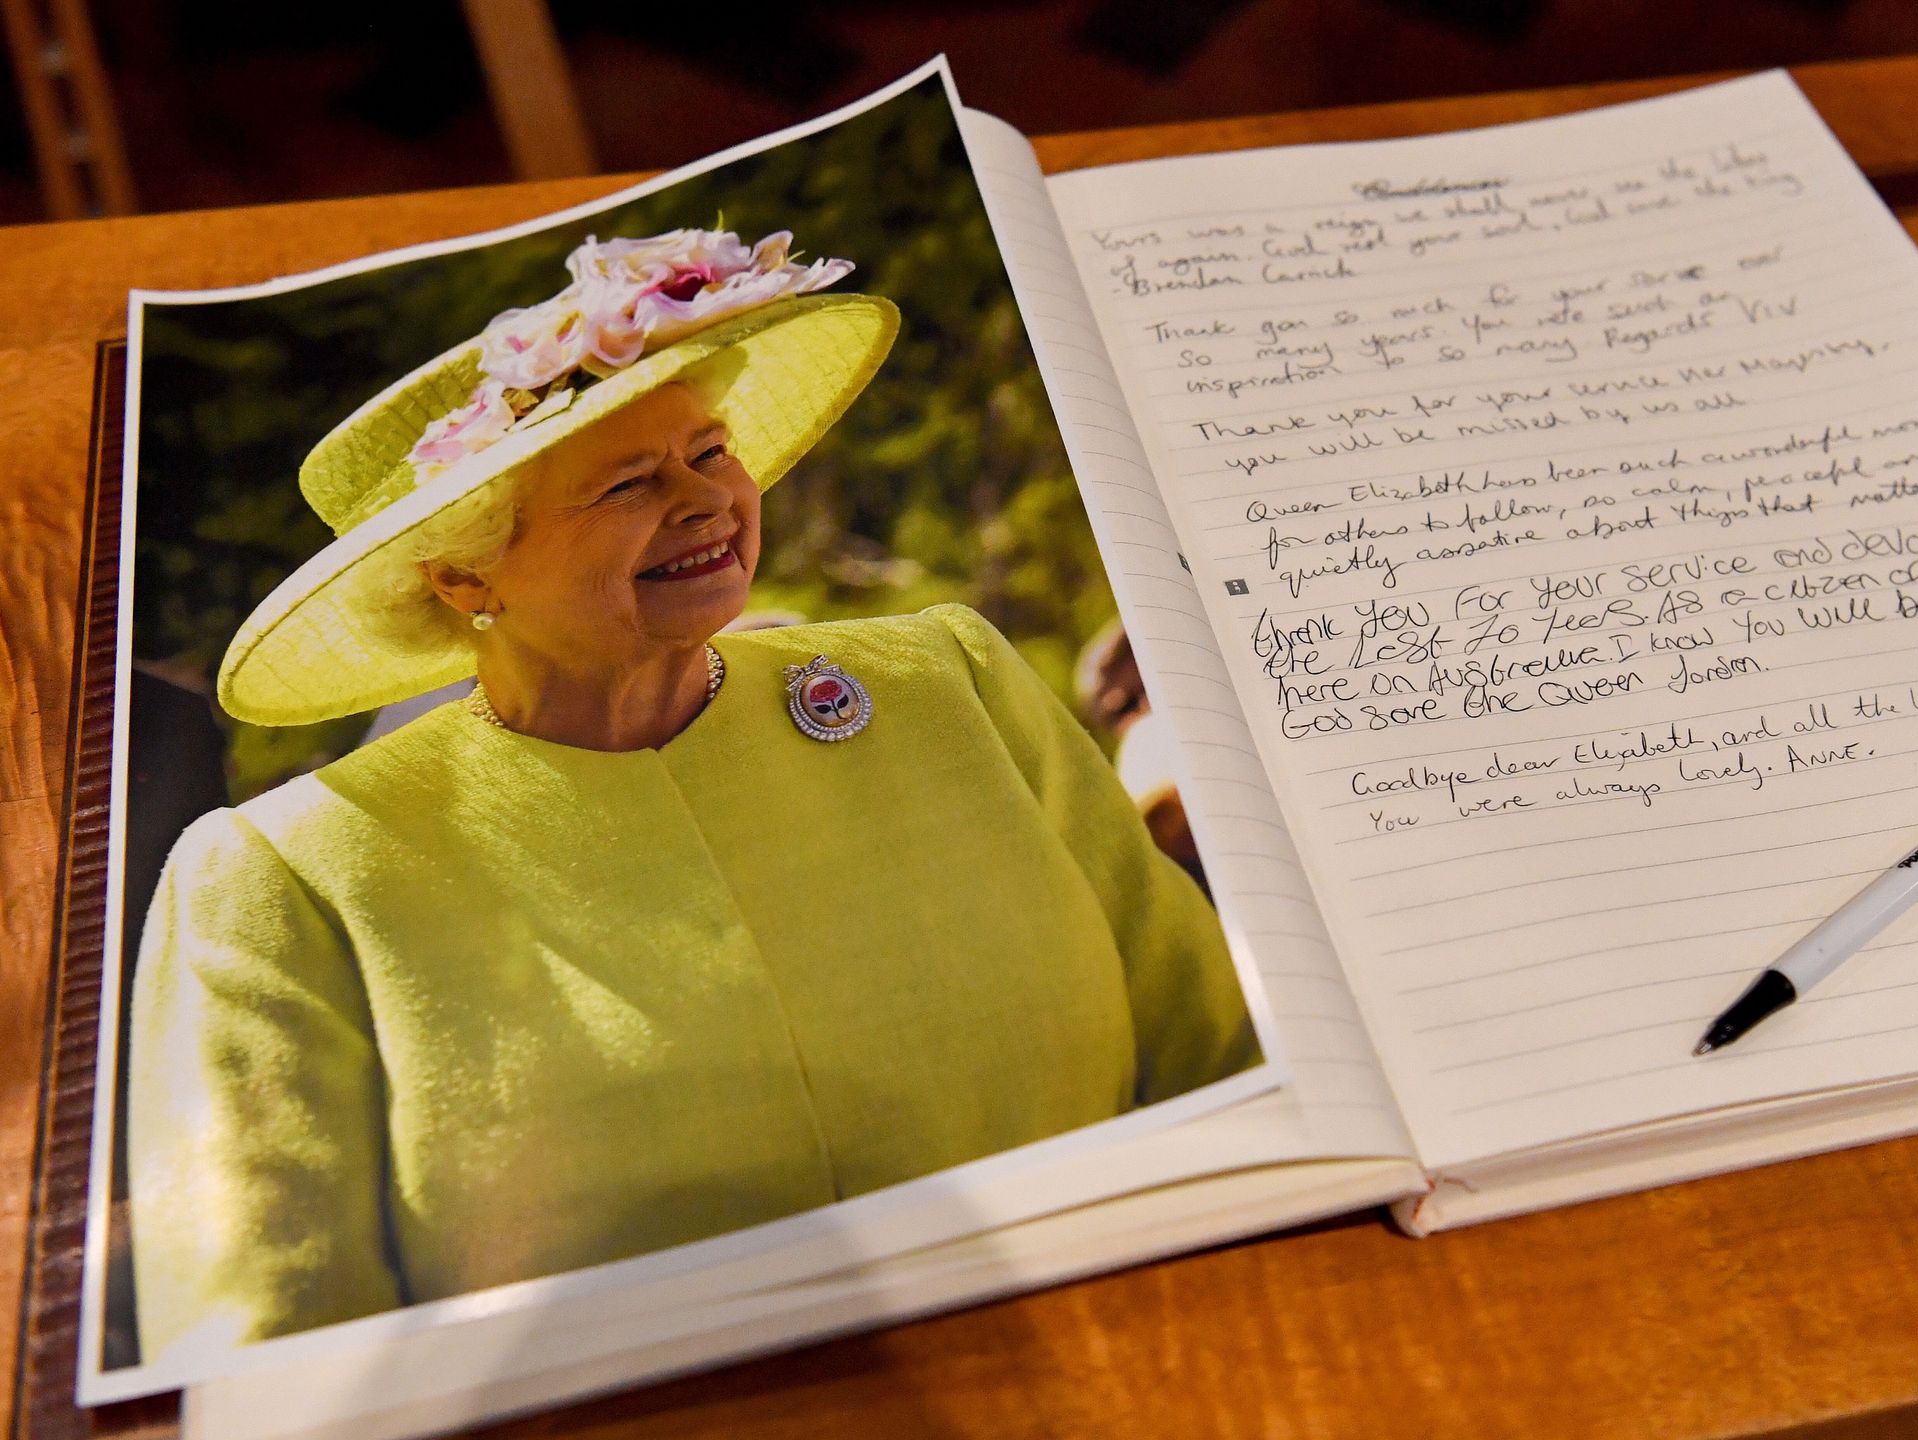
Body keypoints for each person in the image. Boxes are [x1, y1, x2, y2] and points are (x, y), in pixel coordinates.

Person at [127, 221, 1259, 1365]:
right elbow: (265, 1352)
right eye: (628, 482)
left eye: (710, 451)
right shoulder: (289, 877)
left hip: (1166, 1351)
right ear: (465, 574)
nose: (706, 500)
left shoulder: (945, 679)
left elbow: (1223, 1060)